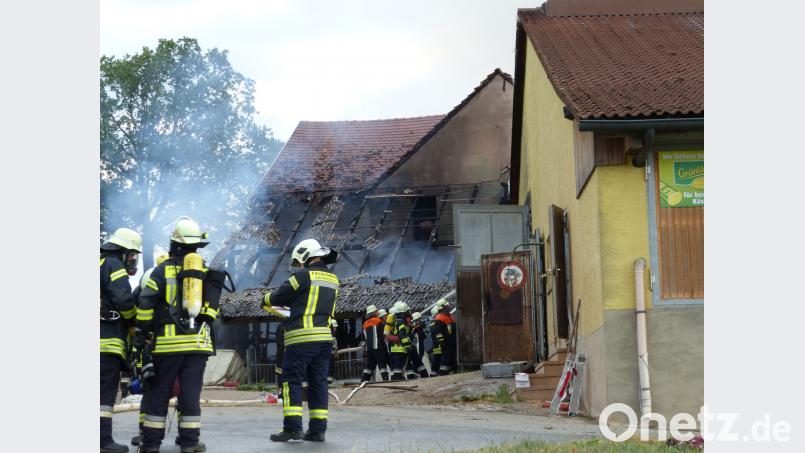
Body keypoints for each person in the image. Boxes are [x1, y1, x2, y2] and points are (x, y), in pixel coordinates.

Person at [135, 217, 219, 453]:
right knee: (191, 396)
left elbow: (145, 302)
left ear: (174, 243)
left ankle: (151, 444)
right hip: (198, 346)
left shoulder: (162, 270)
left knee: (159, 394)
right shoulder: (204, 271)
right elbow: (212, 309)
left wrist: (141, 334)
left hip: (168, 347)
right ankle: (190, 443)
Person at [262, 238, 339, 443]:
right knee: (318, 383)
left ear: (305, 256)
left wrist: (265, 299)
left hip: (302, 338)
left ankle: (293, 428)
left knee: (291, 380)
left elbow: (278, 296)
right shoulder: (333, 279)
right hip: (324, 339)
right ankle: (317, 430)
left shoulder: (302, 276)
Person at [100, 228, 142, 453]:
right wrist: (136, 322)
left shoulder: (98, 264)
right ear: (123, 251)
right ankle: (102, 440)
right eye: (132, 254)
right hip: (106, 342)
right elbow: (124, 300)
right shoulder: (114, 265)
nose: (133, 259)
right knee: (104, 394)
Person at [360, 305, 388, 382]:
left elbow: (363, 339)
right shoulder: (378, 321)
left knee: (369, 365)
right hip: (378, 347)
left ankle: (364, 380)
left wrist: (364, 349)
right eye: (376, 311)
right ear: (373, 313)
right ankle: (385, 379)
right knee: (382, 363)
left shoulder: (364, 324)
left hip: (369, 349)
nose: (377, 312)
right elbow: (384, 334)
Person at [431, 299, 456, 376]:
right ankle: (443, 374)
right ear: (443, 308)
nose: (449, 307)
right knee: (446, 359)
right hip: (446, 343)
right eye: (447, 306)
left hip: (451, 342)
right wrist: (442, 342)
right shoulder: (439, 318)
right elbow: (437, 332)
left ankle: (451, 373)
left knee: (451, 358)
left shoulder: (449, 316)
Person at [427, 306, 442, 377]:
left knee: (437, 359)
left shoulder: (435, 322)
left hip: (438, 344)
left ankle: (434, 373)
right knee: (437, 359)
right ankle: (434, 373)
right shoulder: (434, 323)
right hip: (438, 344)